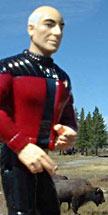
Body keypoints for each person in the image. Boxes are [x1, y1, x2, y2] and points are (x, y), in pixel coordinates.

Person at [0, 6, 77, 215]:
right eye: (50, 25)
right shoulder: (10, 68)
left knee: (50, 210)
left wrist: (68, 134)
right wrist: (20, 145)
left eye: (61, 27)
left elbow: (68, 115)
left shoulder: (62, 78)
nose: (57, 33)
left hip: (43, 158)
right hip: (16, 158)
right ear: (31, 29)